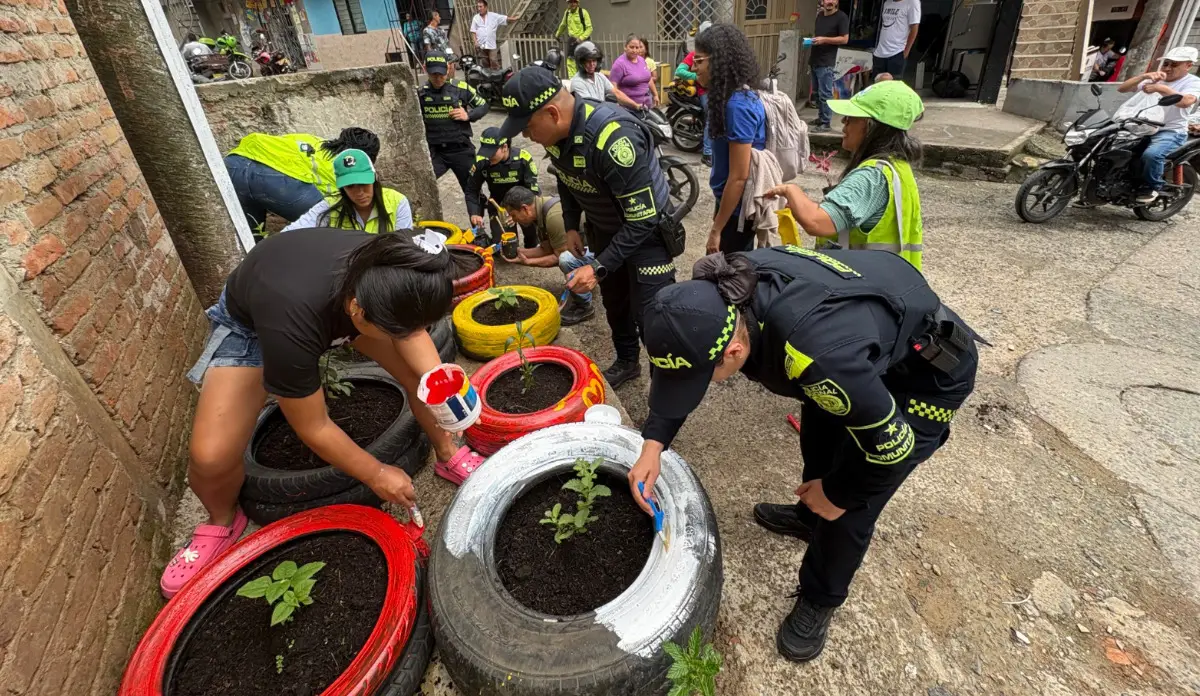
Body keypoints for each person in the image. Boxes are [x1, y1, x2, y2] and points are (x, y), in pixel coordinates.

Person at [628, 248, 979, 662]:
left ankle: (820, 597)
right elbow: (683, 365)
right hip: (856, 351)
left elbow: (892, 450)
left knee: (850, 504)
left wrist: (838, 493)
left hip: (925, 375)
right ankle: (808, 518)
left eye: (703, 378)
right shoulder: (716, 297)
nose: (698, 386)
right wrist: (654, 444)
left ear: (735, 352)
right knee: (819, 440)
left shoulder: (817, 357)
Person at [160, 229, 487, 598]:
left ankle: (448, 453)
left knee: (420, 379)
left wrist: (446, 390)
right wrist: (377, 473)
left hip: (338, 300)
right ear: (358, 313)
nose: (409, 335)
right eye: (397, 330)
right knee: (210, 458)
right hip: (257, 325)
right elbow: (313, 425)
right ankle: (221, 519)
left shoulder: (396, 268)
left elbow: (414, 343)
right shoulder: (290, 326)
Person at [498, 66, 684, 387]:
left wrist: (597, 268)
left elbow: (642, 219)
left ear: (552, 113)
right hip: (607, 231)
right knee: (616, 304)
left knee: (653, 317)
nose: (526, 137)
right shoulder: (557, 137)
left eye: (527, 127)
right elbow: (566, 177)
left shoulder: (615, 139)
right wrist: (571, 225)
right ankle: (627, 362)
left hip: (647, 236)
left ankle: (665, 388)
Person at [766, 80, 925, 272]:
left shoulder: (871, 176)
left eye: (850, 118)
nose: (843, 123)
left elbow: (816, 222)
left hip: (862, 283)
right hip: (890, 279)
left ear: (870, 126)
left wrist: (790, 190)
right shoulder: (897, 166)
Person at [691, 24, 767, 255]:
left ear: (719, 60)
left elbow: (738, 177)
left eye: (699, 61)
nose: (694, 68)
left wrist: (716, 230)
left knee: (730, 269)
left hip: (739, 212)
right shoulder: (731, 97)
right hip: (730, 205)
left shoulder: (738, 106)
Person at [223, 127, 380, 236]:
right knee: (334, 226)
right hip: (276, 182)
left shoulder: (314, 141)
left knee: (250, 239)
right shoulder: (345, 167)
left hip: (233, 164)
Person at [1115, 46, 1200, 204]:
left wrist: (1161, 88)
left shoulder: (1193, 82)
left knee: (1152, 155)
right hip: (1141, 126)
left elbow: (1186, 101)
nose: (1167, 68)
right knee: (1109, 147)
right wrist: (1143, 76)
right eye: (1166, 63)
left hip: (1170, 131)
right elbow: (1122, 88)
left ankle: (1153, 187)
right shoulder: (1156, 77)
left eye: (1174, 64)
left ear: (1188, 65)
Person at [502, 186, 596, 326]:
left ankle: (584, 306)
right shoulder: (540, 210)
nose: (514, 220)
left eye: (514, 215)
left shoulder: (553, 217)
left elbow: (559, 256)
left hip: (599, 251)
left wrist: (528, 262)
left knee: (566, 260)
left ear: (525, 209)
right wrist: (519, 253)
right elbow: (547, 248)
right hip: (584, 246)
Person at [283, 148, 412, 233]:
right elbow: (293, 232)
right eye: (350, 186)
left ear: (374, 178)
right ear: (342, 188)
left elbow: (404, 247)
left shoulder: (397, 202)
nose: (359, 192)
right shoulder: (330, 205)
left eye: (363, 183)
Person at [420, 50, 489, 197]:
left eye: (441, 74)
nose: (438, 78)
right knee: (422, 188)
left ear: (448, 68)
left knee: (474, 194)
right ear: (425, 69)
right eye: (434, 75)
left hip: (461, 150)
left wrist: (468, 115)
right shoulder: (420, 93)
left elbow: (483, 106)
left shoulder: (461, 88)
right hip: (436, 152)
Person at [466, 126, 541, 247]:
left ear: (504, 147)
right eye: (485, 152)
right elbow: (471, 190)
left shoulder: (523, 158)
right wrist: (474, 213)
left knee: (533, 239)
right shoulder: (480, 161)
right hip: (498, 205)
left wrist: (519, 213)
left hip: (522, 205)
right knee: (505, 246)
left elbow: (533, 190)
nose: (488, 157)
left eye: (491, 153)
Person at [675, 21, 713, 166]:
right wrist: (696, 77)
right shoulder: (694, 55)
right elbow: (679, 71)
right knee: (712, 118)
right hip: (704, 92)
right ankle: (707, 153)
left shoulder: (716, 55)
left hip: (717, 91)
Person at [810, 0, 849, 132]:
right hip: (815, 59)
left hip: (826, 62)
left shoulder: (841, 17)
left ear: (837, 2)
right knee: (817, 93)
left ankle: (826, 123)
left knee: (825, 94)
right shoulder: (820, 15)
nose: (830, 1)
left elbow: (844, 39)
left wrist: (824, 40)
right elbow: (818, 36)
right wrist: (813, 41)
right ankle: (821, 118)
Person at [571, 42, 640, 109]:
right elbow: (590, 106)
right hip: (591, 115)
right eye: (588, 61)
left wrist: (636, 105)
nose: (592, 64)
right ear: (581, 63)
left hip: (603, 113)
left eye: (594, 61)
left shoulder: (599, 76)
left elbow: (617, 93)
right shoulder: (577, 82)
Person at [872, 0, 920, 81]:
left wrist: (906, 52)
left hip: (897, 53)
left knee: (893, 85)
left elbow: (914, 28)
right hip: (880, 53)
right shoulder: (887, 3)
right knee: (878, 85)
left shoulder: (912, 2)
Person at [609, 35, 657, 109]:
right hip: (629, 108)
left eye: (637, 47)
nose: (634, 50)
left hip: (646, 105)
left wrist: (655, 94)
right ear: (625, 47)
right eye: (631, 47)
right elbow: (613, 89)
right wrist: (634, 105)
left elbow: (648, 78)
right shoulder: (619, 64)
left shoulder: (641, 60)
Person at [470, 0, 518, 70]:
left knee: (493, 60)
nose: (479, 9)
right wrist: (475, 42)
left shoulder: (493, 16)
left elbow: (504, 18)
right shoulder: (476, 18)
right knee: (484, 62)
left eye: (480, 7)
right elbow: (473, 31)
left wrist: (514, 18)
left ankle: (496, 74)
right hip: (481, 44)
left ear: (486, 7)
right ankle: (486, 75)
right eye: (478, 7)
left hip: (491, 44)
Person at [556, 0, 593, 76]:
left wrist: (581, 38)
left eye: (574, 2)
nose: (572, 4)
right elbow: (563, 25)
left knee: (585, 61)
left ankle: (586, 79)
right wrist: (557, 35)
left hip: (583, 41)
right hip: (572, 40)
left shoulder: (583, 12)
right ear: (568, 3)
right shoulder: (567, 13)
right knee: (571, 61)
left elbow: (589, 28)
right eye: (570, 2)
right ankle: (573, 80)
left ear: (577, 3)